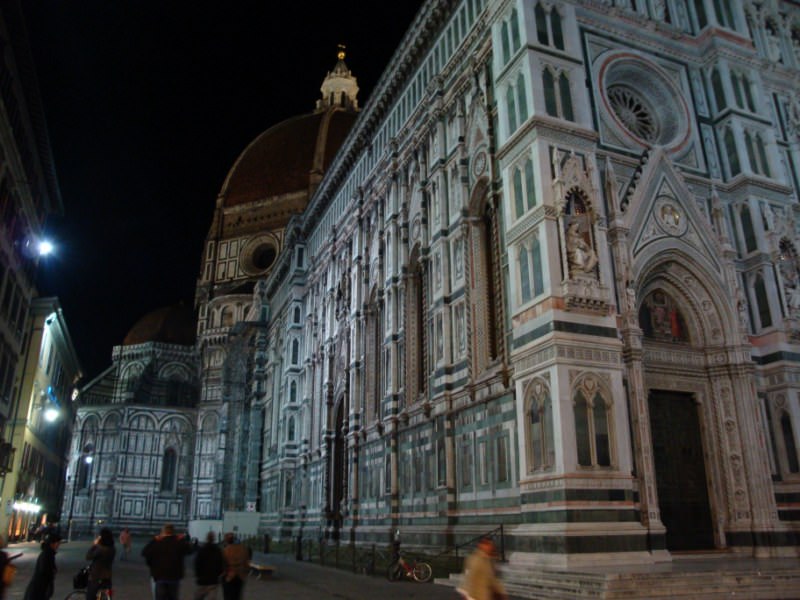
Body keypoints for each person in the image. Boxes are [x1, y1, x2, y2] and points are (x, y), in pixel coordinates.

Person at [141, 524, 194, 600]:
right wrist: (182, 539)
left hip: (160, 576)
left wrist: (154, 540)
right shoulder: (178, 542)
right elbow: (190, 550)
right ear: (173, 532)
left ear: (163, 532)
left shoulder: (157, 542)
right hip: (174, 577)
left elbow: (145, 552)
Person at [22, 532, 61, 600]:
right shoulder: (47, 554)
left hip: (40, 587)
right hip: (39, 587)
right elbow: (43, 570)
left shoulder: (48, 553)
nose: (58, 545)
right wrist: (52, 572)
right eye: (58, 543)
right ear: (52, 543)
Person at [193, 532, 225, 600]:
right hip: (213, 579)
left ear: (207, 538)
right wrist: (218, 574)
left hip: (202, 579)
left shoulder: (202, 550)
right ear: (214, 539)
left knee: (198, 597)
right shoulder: (218, 550)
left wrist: (198, 575)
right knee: (212, 598)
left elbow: (197, 563)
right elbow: (221, 564)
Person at [86, 528, 115, 600]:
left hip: (96, 576)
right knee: (107, 594)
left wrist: (94, 545)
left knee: (90, 597)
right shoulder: (112, 549)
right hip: (107, 576)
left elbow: (88, 556)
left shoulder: (100, 549)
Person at [221, 533, 249, 600]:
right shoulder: (243, 549)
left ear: (227, 540)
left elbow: (223, 564)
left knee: (228, 595)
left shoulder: (226, 550)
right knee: (237, 595)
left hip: (229, 575)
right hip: (240, 575)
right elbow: (246, 562)